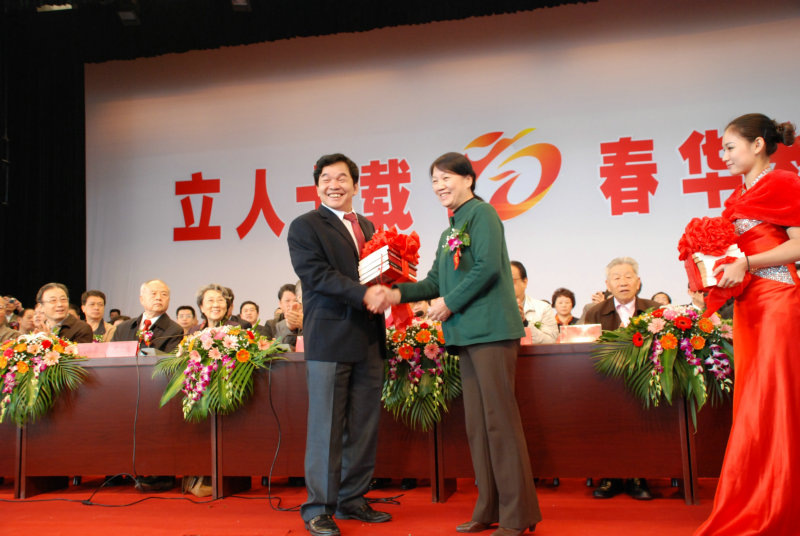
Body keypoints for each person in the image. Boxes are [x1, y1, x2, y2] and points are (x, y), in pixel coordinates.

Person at [387, 152, 541, 536]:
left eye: (446, 178)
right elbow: (433, 283)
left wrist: (449, 303)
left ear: (468, 179)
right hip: (466, 337)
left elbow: (487, 268)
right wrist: (393, 293)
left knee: (500, 424)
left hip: (491, 332)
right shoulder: (449, 231)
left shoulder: (483, 214)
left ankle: (517, 515)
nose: (439, 186)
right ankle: (488, 507)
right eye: (434, 180)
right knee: (478, 426)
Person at [694, 114, 800, 535]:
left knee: (774, 399)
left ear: (757, 145)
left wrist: (748, 262)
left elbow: (798, 244)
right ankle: (756, 497)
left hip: (777, 302)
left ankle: (780, 502)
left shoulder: (785, 182)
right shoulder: (739, 194)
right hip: (748, 306)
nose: (723, 155)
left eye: (729, 147)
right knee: (752, 402)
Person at [287, 153, 392, 536]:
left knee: (364, 426)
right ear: (317, 186)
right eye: (327, 179)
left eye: (342, 178)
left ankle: (352, 499)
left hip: (369, 339)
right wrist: (366, 294)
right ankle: (318, 508)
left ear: (356, 185)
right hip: (330, 340)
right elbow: (317, 275)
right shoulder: (305, 226)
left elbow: (377, 273)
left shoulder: (368, 225)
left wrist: (394, 283)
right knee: (326, 428)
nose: (335, 185)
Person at [582, 257, 660, 500]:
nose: (623, 282)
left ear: (638, 281)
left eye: (628, 277)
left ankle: (639, 476)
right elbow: (584, 349)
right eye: (616, 278)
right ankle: (609, 477)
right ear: (608, 284)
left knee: (643, 425)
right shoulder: (594, 312)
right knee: (606, 426)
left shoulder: (655, 310)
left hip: (644, 381)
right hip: (605, 385)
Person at [111, 279, 183, 354]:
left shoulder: (175, 331)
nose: (158, 298)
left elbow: (168, 360)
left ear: (169, 300)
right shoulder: (123, 328)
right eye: (153, 293)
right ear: (142, 299)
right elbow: (112, 356)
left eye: (164, 294)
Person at [510, 260, 557, 344]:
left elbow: (551, 341)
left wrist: (525, 323)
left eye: (511, 281)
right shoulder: (491, 309)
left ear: (525, 282)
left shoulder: (543, 308)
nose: (507, 285)